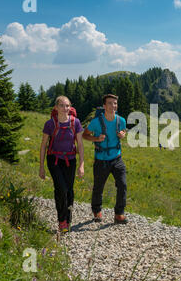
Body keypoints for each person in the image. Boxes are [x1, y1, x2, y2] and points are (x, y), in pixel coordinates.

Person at [39, 96, 84, 233]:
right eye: (62, 105)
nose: (65, 108)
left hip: (70, 160)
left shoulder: (75, 123)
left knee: (69, 190)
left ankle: (68, 220)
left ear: (70, 107)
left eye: (67, 106)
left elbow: (80, 145)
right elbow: (43, 146)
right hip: (54, 159)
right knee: (61, 189)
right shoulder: (50, 124)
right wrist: (41, 167)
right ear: (56, 107)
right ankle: (61, 220)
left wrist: (82, 164)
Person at [82, 93, 128, 224]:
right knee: (98, 187)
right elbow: (85, 135)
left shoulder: (121, 120)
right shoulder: (96, 122)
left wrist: (122, 135)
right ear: (104, 106)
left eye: (115, 103)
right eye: (110, 103)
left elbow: (124, 131)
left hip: (117, 158)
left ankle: (119, 214)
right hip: (101, 159)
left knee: (122, 185)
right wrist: (96, 139)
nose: (113, 106)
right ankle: (97, 211)